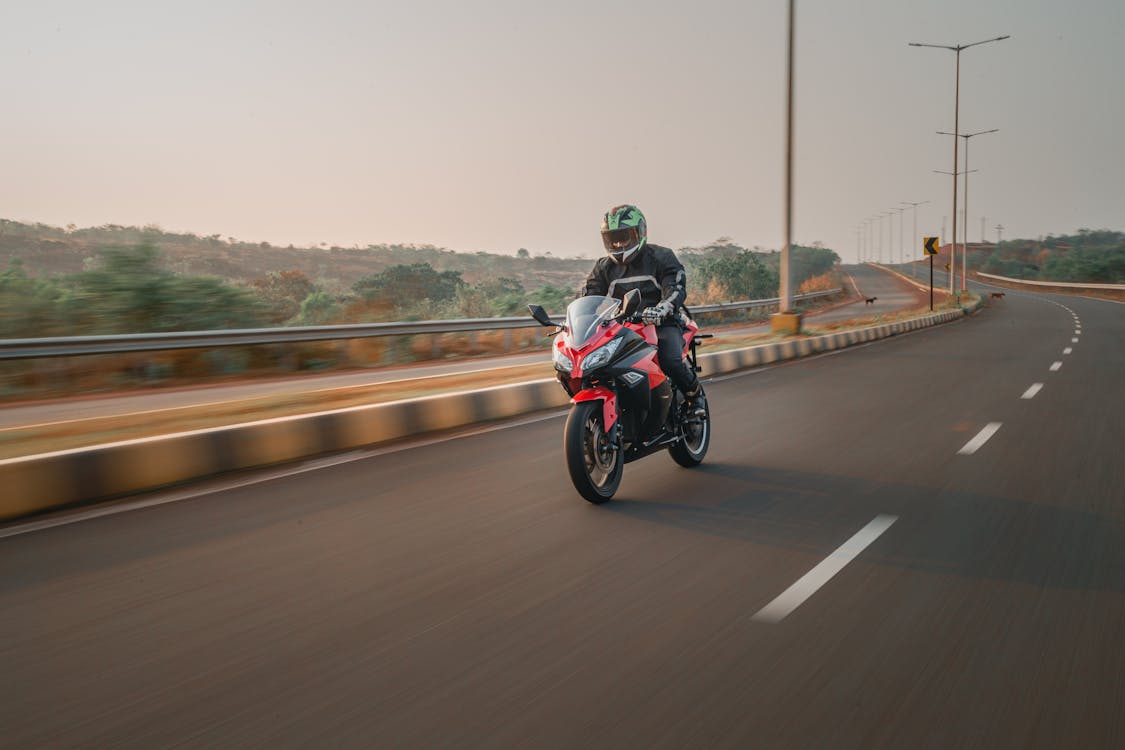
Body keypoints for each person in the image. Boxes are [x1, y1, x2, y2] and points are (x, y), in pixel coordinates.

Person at [581, 204, 702, 406]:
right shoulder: (603, 267)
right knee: (596, 364)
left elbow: (675, 288)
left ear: (640, 233)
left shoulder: (661, 257)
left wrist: (662, 309)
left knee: (669, 361)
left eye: (624, 237)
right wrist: (579, 319)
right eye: (613, 239)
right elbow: (590, 296)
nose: (619, 244)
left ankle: (694, 396)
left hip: (662, 323)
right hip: (622, 327)